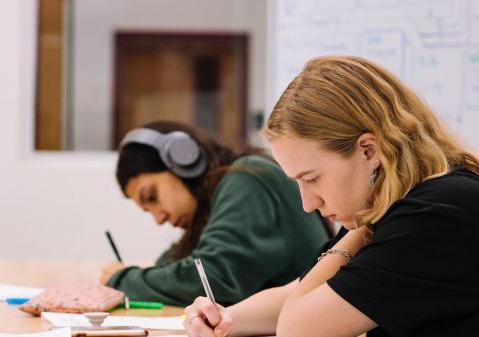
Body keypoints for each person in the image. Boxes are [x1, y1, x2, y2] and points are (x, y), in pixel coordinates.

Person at [184, 55, 479, 337]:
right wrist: (227, 319)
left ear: (369, 151)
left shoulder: (436, 213)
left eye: (311, 178)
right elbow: (303, 291)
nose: (308, 203)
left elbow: (299, 327)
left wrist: (363, 229)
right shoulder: (412, 201)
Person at [99, 120, 330, 306]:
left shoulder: (248, 179)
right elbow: (169, 267)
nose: (159, 219)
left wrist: (122, 279)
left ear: (183, 159)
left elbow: (211, 279)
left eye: (152, 196)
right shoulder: (220, 197)